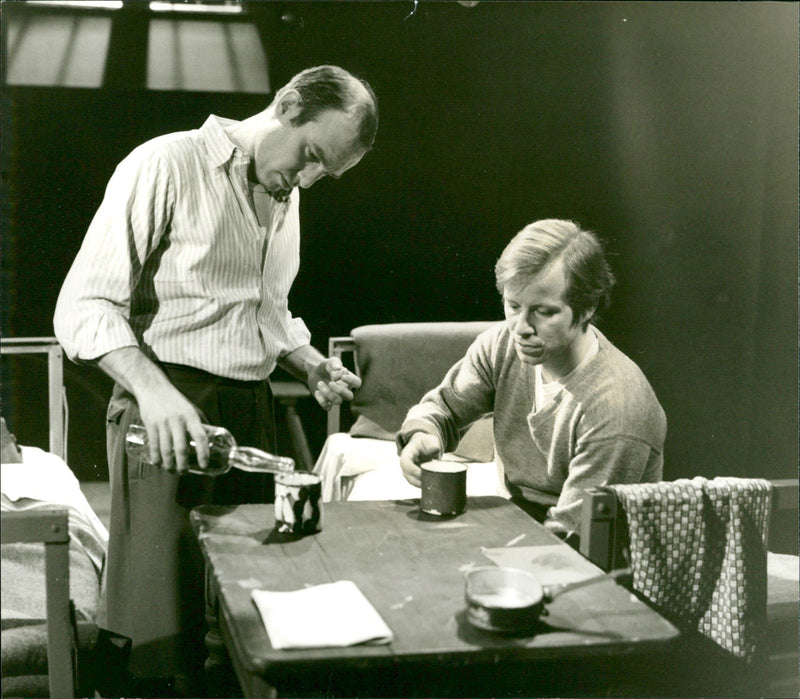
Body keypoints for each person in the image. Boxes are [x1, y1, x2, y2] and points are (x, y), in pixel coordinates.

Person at [54, 65, 377, 694]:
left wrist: (309, 363)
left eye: (325, 173)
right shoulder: (164, 165)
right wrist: (153, 394)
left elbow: (266, 310)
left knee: (243, 622)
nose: (307, 178)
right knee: (159, 636)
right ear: (286, 104)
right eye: (311, 155)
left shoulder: (286, 194)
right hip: (167, 411)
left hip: (247, 412)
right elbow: (83, 309)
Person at [398, 219, 666, 538]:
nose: (521, 327)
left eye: (543, 311)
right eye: (513, 306)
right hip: (524, 528)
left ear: (587, 308)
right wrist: (425, 434)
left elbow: (572, 536)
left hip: (594, 562)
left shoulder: (617, 408)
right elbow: (443, 409)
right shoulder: (502, 345)